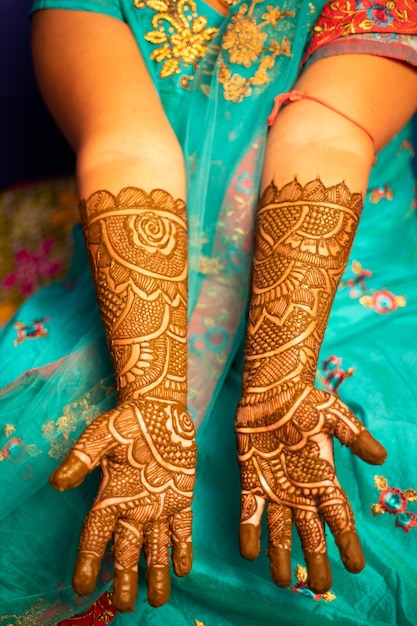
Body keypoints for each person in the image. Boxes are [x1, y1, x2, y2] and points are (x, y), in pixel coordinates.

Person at [1, 0, 417, 624]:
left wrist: (279, 383)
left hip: (343, 293)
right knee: (69, 448)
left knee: (356, 475)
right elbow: (124, 145)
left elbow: (328, 131)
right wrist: (154, 399)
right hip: (141, 283)